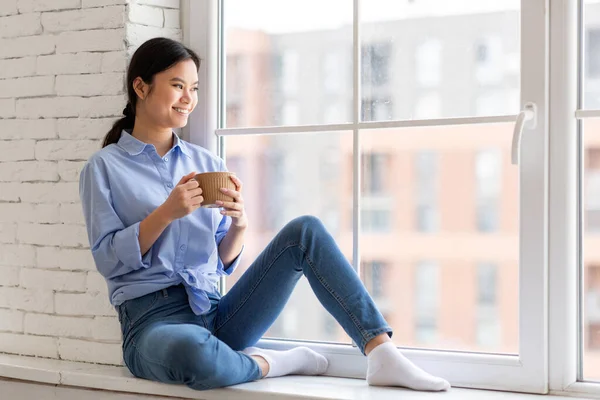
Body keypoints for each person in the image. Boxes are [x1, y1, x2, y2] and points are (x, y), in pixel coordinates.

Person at [79, 37, 450, 392]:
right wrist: (166, 213)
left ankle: (381, 351)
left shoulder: (206, 162)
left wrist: (239, 224)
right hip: (152, 324)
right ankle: (274, 364)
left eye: (194, 88)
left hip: (215, 312)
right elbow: (108, 259)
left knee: (305, 231)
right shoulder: (104, 167)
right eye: (178, 86)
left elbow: (221, 259)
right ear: (141, 87)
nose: (188, 99)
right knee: (192, 353)